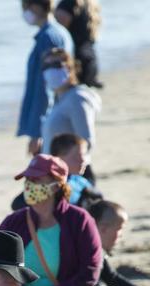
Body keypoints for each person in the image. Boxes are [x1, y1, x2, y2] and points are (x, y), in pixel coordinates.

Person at [0, 154, 102, 286]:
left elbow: (89, 275)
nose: (29, 185)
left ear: (56, 185)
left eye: (36, 180)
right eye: (27, 180)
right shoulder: (14, 222)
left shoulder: (80, 221)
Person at [19, 0, 75, 155]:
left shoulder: (49, 37)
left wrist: (37, 132)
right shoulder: (58, 32)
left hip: (53, 119)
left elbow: (44, 87)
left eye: (25, 7)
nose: (23, 12)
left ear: (36, 7)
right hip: (58, 114)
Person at [39, 49, 101, 178]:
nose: (51, 71)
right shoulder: (59, 100)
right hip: (55, 173)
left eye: (56, 65)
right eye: (46, 66)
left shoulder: (77, 98)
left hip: (73, 174)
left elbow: (87, 140)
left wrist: (69, 170)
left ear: (70, 68)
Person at [90, 200, 150, 286]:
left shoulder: (96, 250)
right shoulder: (88, 252)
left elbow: (111, 278)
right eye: (120, 229)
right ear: (103, 229)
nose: (121, 235)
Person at [54, 0, 103, 88]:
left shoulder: (68, 3)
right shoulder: (90, 3)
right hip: (90, 59)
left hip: (75, 63)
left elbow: (57, 35)